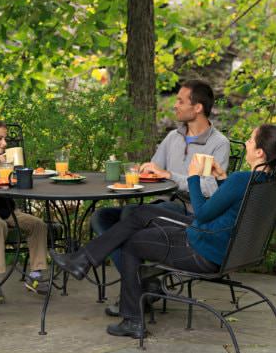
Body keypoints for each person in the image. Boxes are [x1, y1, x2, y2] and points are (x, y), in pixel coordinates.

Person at [50, 124, 276, 339]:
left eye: (249, 140)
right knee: (143, 214)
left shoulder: (242, 180)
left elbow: (203, 213)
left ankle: (132, 320)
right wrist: (221, 178)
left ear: (259, 152)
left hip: (202, 249)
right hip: (220, 247)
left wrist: (194, 176)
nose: (246, 143)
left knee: (131, 242)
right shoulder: (265, 183)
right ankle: (83, 260)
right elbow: (232, 206)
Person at [91, 79, 230, 315]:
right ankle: (145, 283)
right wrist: (144, 170)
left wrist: (170, 175)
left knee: (130, 215)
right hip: (161, 205)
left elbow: (209, 188)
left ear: (197, 107)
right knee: (102, 217)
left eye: (180, 101)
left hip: (190, 213)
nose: (175, 105)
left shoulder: (218, 144)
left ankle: (136, 292)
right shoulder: (173, 137)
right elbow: (156, 170)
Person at [0, 117, 48, 303]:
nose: (4, 143)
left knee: (37, 224)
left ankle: (35, 275)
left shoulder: (8, 163)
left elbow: (15, 184)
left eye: (5, 139)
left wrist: (21, 174)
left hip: (8, 212)